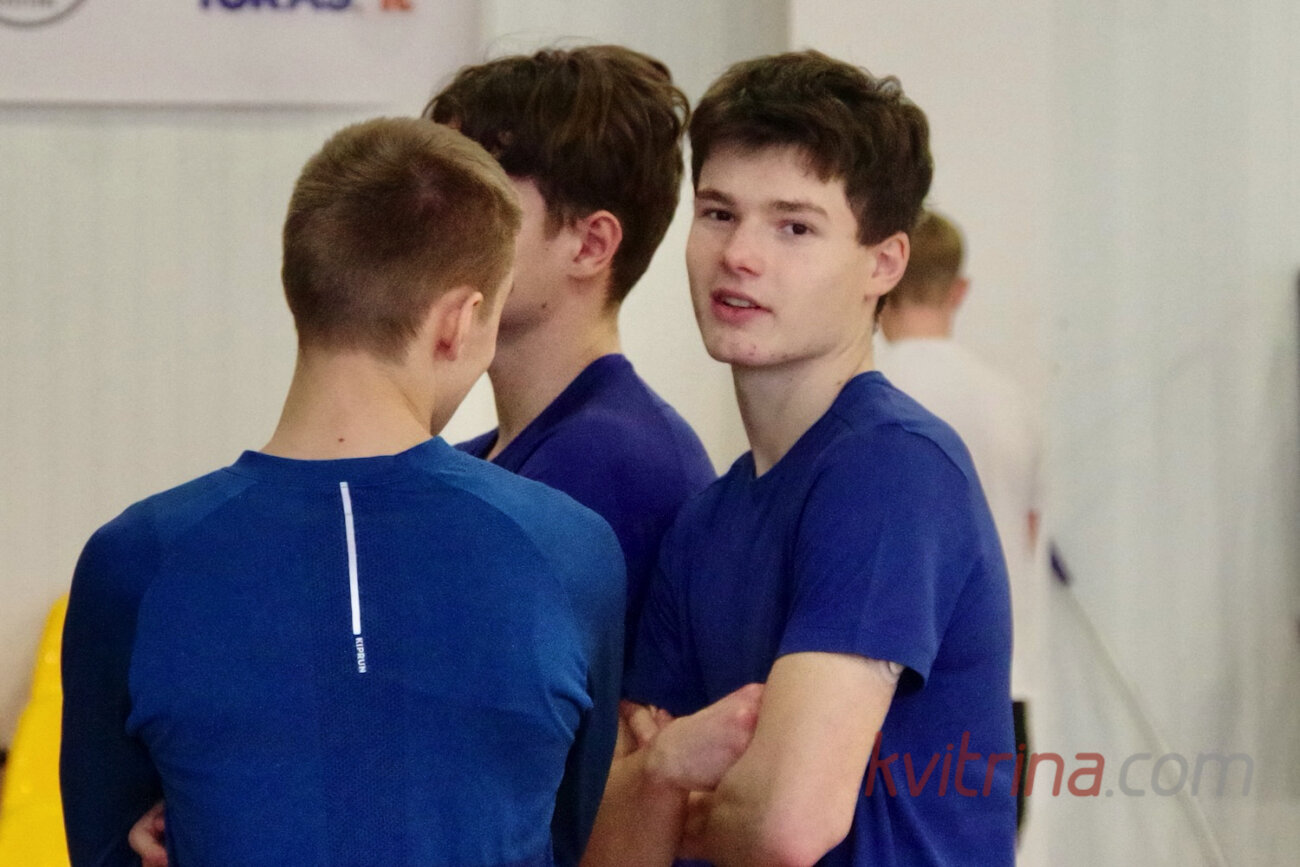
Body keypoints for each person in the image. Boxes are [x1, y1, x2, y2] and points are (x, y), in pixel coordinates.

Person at [61, 117, 628, 867]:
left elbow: (105, 841)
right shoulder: (570, 550)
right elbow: (569, 829)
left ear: (302, 288)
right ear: (460, 321)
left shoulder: (134, 560)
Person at [614, 51, 1017, 865]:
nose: (740, 255)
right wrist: (663, 769)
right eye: (719, 213)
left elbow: (786, 824)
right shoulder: (705, 519)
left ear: (885, 262)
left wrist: (676, 787)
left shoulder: (891, 468)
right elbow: (619, 839)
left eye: (794, 226)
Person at [425, 45, 717, 665]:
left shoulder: (612, 463)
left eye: (475, 199)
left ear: (589, 245)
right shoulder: (481, 458)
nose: (430, 224)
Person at [876, 209, 1045, 834]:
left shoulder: (864, 395)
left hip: (891, 693)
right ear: (960, 289)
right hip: (1003, 691)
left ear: (882, 279)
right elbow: (1026, 535)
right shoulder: (1013, 402)